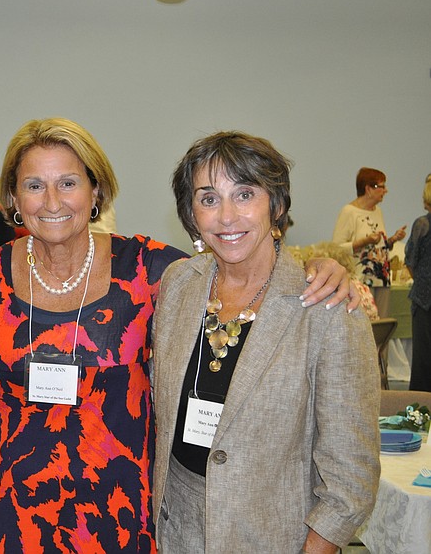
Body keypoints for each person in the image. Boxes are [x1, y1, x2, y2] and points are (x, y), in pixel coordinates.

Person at [0, 119, 355, 553]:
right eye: (34, 185)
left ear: (96, 192)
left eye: (69, 182)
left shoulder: (151, 271)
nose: (52, 200)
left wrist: (323, 267)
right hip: (16, 510)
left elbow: (231, 266)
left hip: (121, 511)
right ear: (14, 198)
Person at [153, 131, 380, 553]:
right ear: (190, 214)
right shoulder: (179, 284)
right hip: (175, 530)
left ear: (275, 204)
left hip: (274, 535)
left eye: (244, 194)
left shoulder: (326, 308)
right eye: (207, 198)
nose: (225, 216)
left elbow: (351, 477)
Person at [332, 167, 406, 316]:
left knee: (381, 322)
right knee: (364, 323)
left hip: (381, 279)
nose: (385, 191)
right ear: (368, 189)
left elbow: (378, 246)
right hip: (361, 280)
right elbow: (337, 248)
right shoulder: (349, 212)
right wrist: (363, 241)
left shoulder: (378, 211)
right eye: (382, 186)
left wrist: (392, 240)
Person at [404, 178, 431, 391]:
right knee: (423, 359)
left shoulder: (422, 224)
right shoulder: (423, 224)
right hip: (424, 301)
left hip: (423, 298)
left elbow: (411, 261)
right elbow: (410, 262)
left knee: (423, 359)